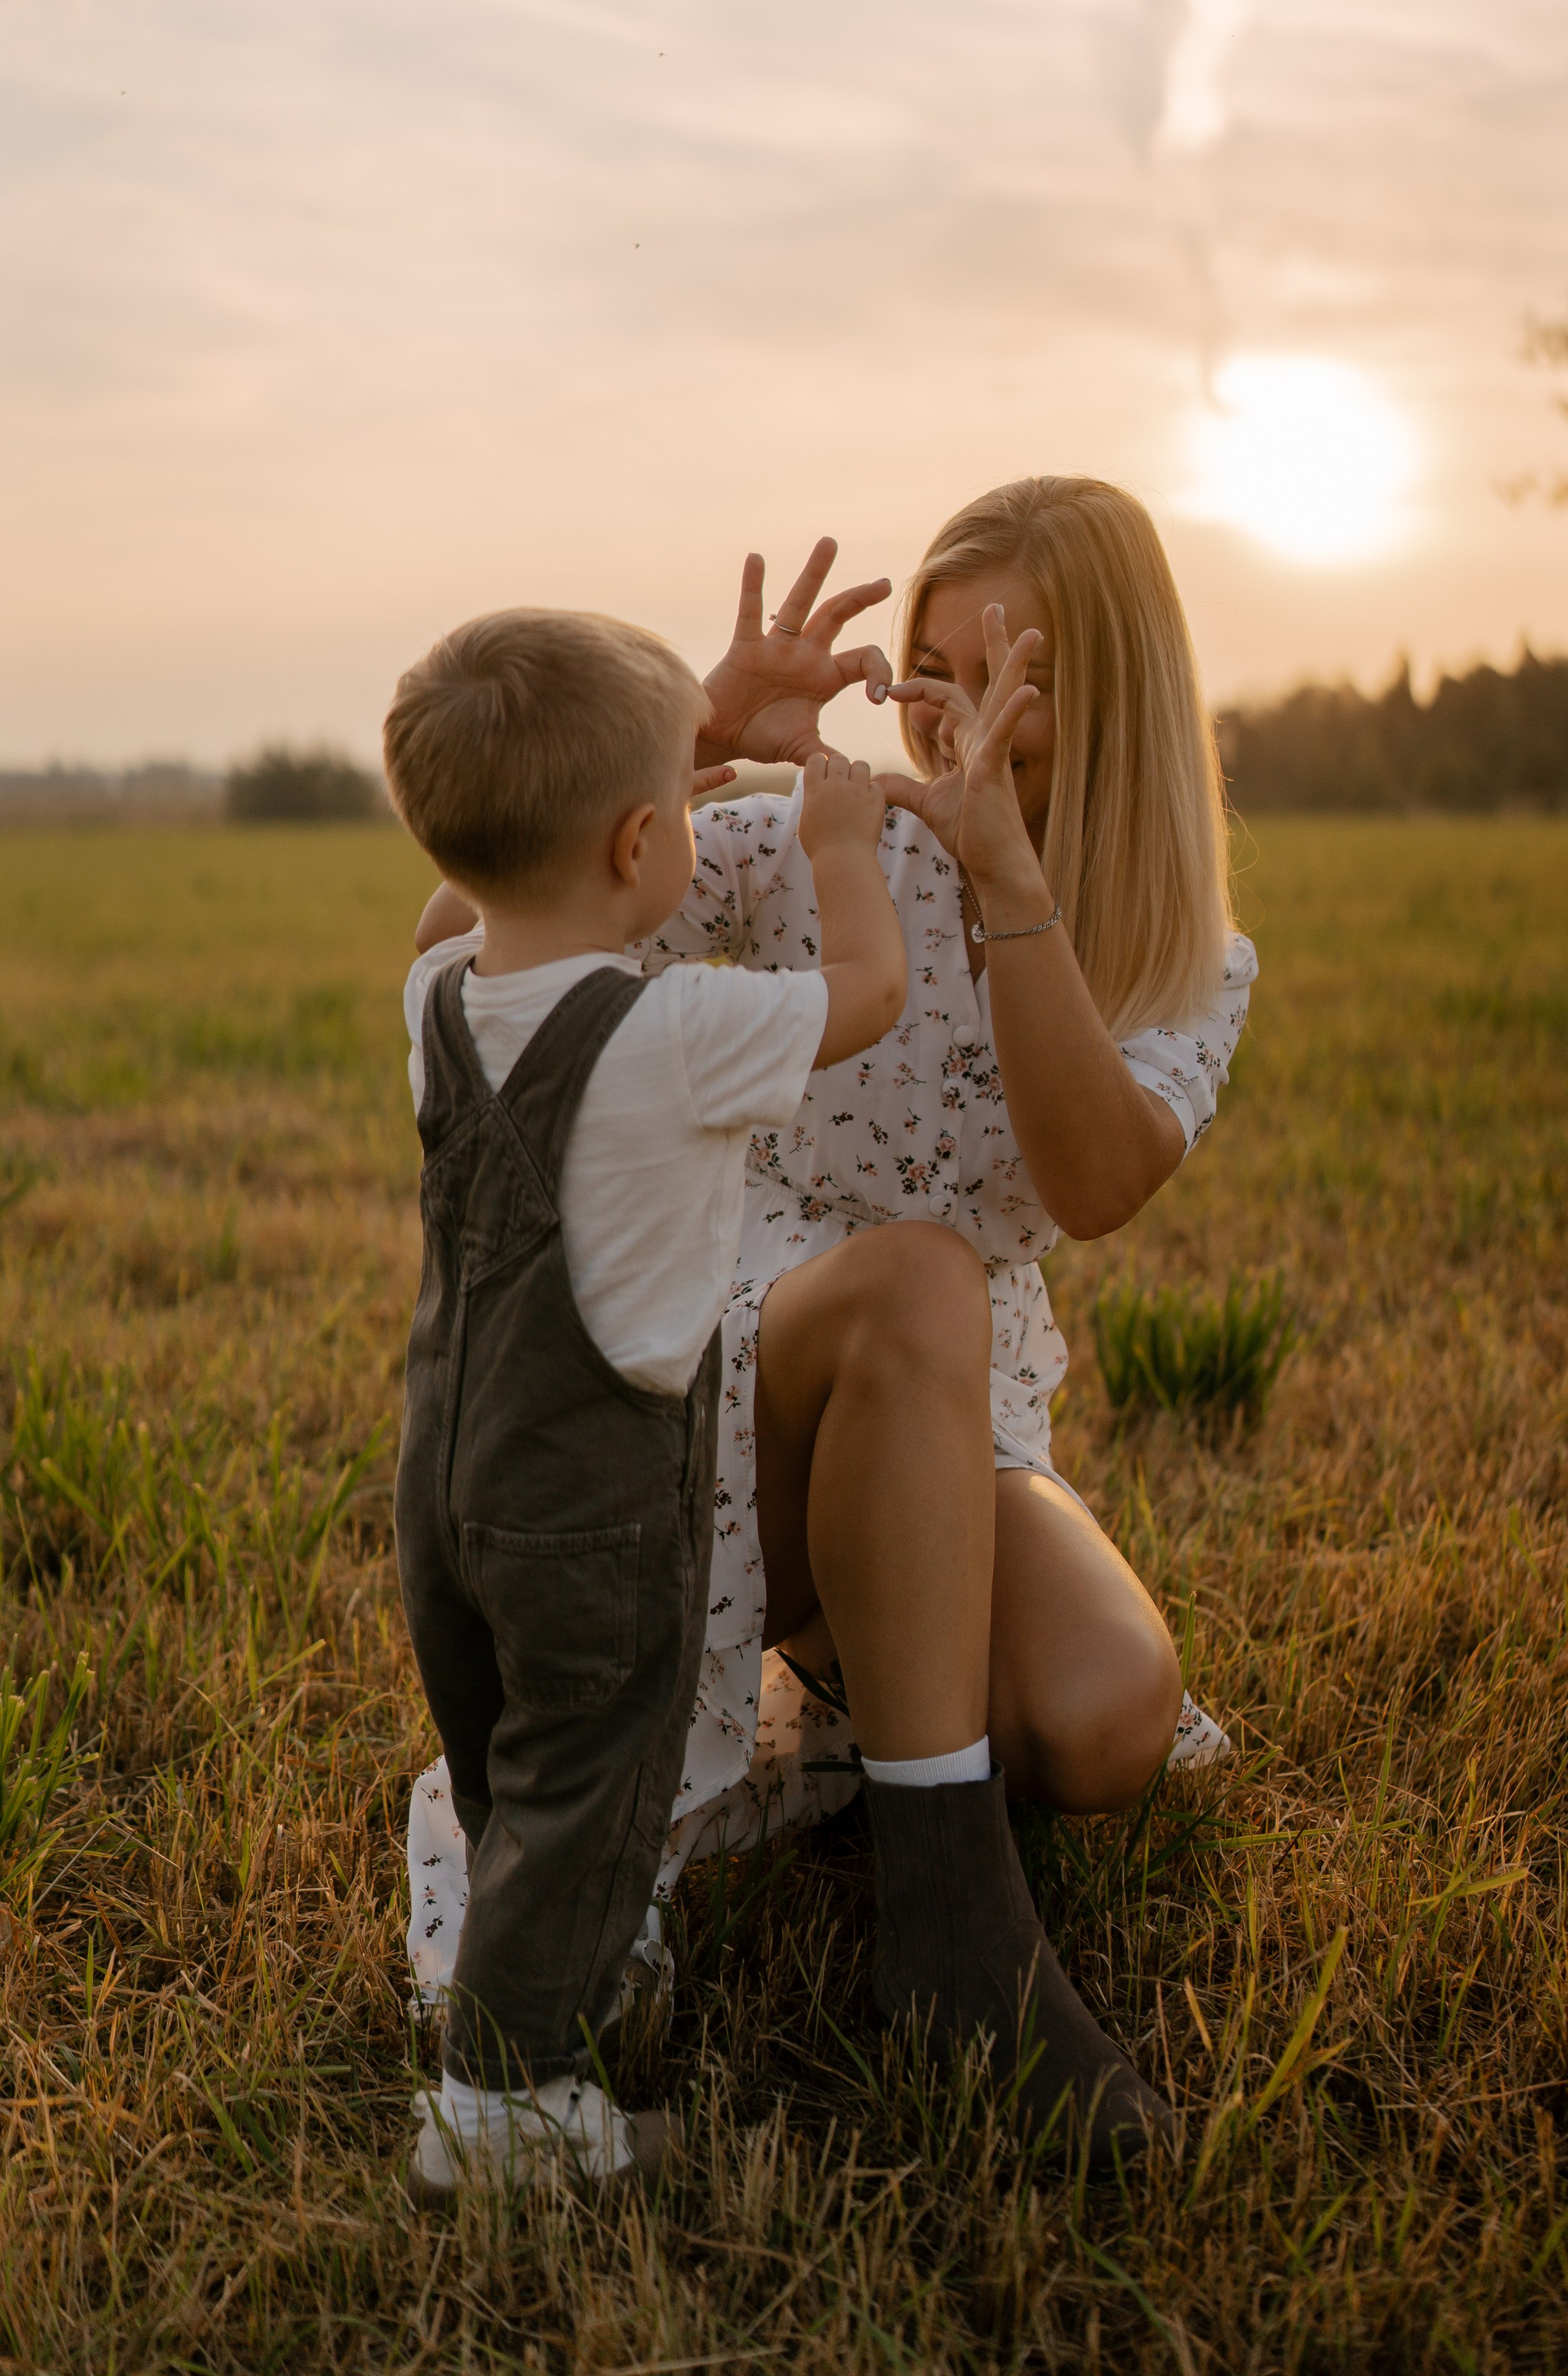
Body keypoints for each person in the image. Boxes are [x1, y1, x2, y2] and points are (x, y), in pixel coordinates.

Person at [408, 477, 1257, 2170]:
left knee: (1106, 1718)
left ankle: (867, 1680)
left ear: (1114, 691)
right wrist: (693, 743)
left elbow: (1091, 1185)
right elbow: (469, 953)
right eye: (926, 665)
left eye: (1003, 669)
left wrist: (1008, 880)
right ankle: (954, 1937)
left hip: (956, 1398)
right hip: (728, 1351)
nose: (946, 708)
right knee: (916, 1272)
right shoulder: (817, 838)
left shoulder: (1183, 947)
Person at [383, 607, 906, 2203]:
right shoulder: (672, 1034)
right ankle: (506, 2122)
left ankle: (556, 1985)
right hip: (591, 1505)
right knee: (592, 1781)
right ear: (636, 841)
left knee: (503, 1773)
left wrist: (666, 761)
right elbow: (868, 995)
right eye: (679, 811)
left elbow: (477, 907)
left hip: (445, 1487)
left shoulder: (437, 1003)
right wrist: (835, 842)